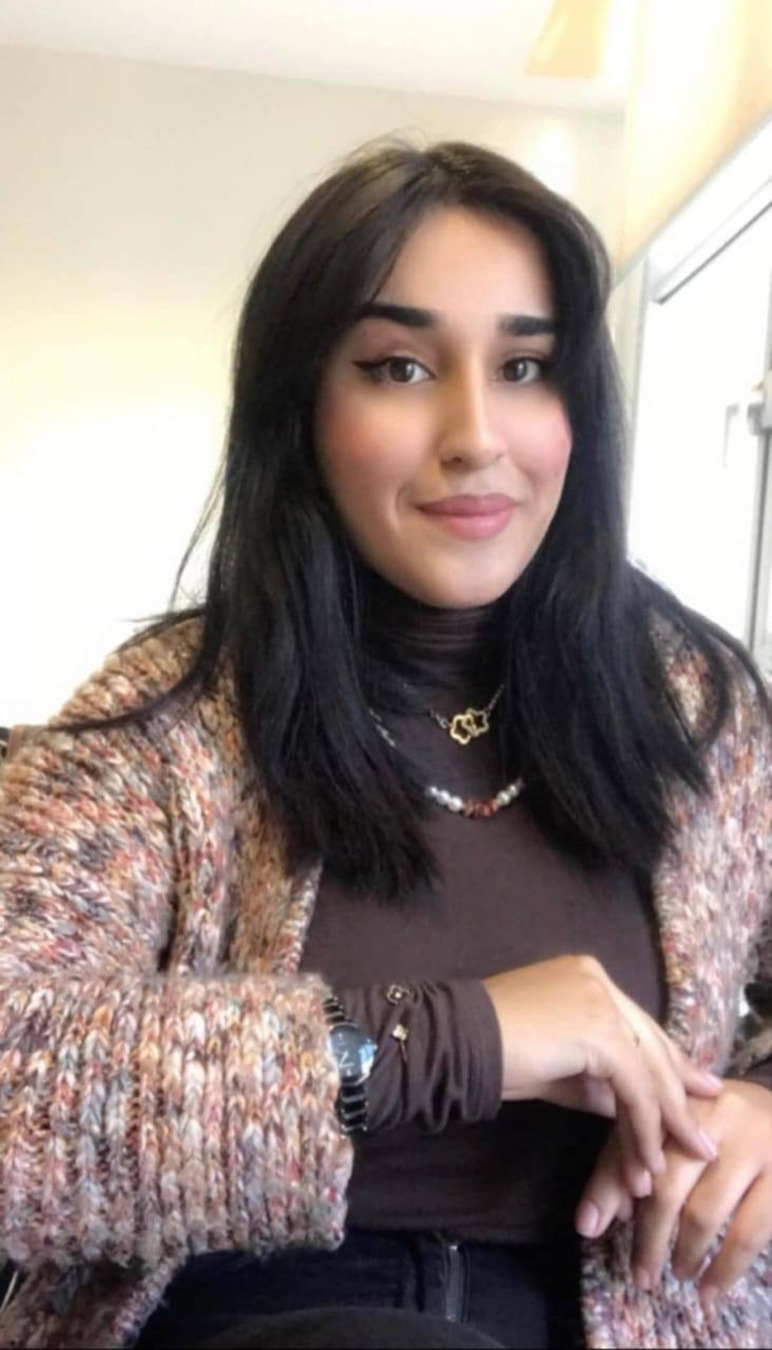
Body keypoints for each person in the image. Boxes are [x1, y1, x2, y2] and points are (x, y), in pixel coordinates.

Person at [0, 137, 769, 1350]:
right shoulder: (169, 723)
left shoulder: (693, 704)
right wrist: (451, 1039)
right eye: (400, 367)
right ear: (302, 406)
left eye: (524, 366)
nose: (476, 434)